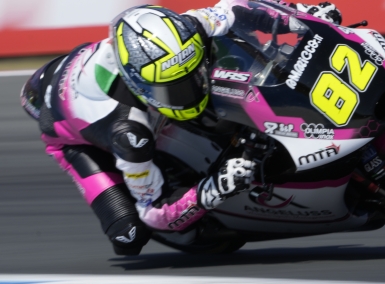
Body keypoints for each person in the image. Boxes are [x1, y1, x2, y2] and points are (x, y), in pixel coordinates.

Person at [20, 0, 342, 256]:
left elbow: (239, 9)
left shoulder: (185, 29)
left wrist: (301, 17)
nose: (190, 91)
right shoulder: (128, 132)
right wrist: (212, 189)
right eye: (173, 88)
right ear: (139, 84)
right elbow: (153, 209)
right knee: (129, 234)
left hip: (96, 66)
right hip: (65, 125)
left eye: (192, 74)